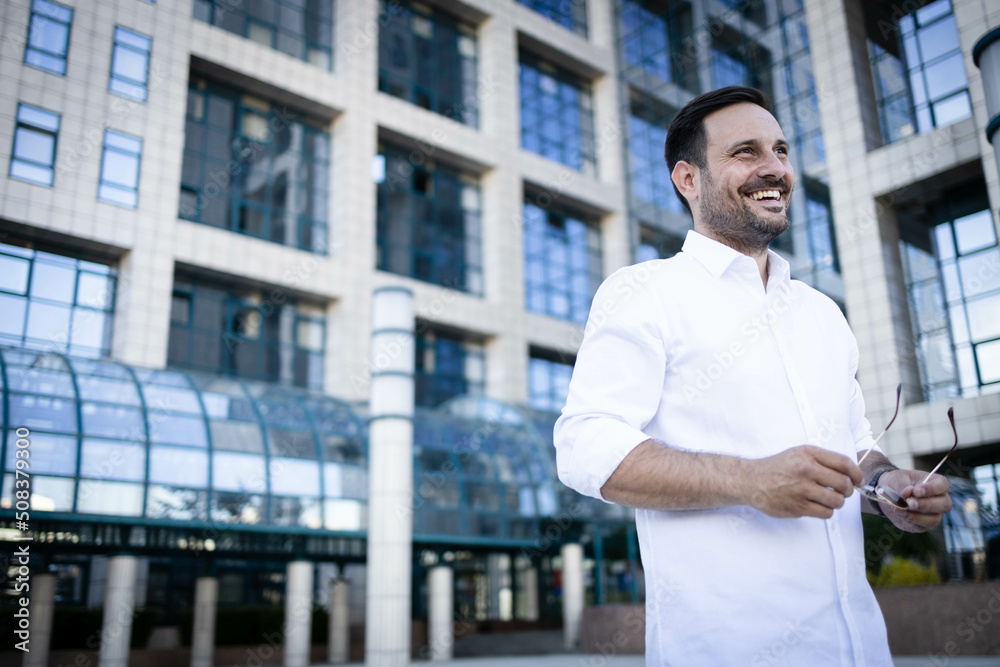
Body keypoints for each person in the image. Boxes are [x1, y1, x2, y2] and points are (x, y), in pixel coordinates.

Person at [553, 86, 953, 666]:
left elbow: (855, 449)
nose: (774, 168)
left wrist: (887, 489)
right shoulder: (643, 293)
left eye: (781, 149)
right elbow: (584, 446)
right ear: (687, 180)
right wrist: (748, 480)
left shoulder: (822, 313)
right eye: (745, 152)